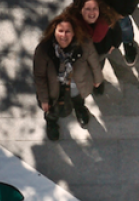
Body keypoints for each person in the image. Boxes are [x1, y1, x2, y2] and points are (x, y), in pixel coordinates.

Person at [33, 12, 103, 141]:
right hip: (54, 90)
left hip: (77, 84)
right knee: (53, 110)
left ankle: (80, 110)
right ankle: (51, 122)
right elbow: (39, 76)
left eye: (68, 31)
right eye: (60, 31)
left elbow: (94, 61)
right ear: (54, 30)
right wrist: (43, 99)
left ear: (74, 32)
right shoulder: (43, 49)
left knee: (78, 99)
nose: (64, 35)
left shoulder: (84, 44)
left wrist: (98, 79)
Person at [65, 0, 121, 66]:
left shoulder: (106, 19)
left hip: (101, 53)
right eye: (88, 9)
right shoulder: (73, 24)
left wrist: (114, 45)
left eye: (95, 8)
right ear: (80, 10)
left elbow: (117, 31)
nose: (92, 13)